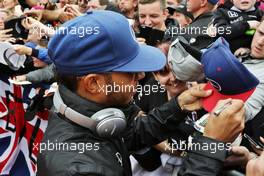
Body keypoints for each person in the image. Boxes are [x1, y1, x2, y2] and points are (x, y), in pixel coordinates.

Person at [37, 10, 245, 176]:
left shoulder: (87, 111)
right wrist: (209, 146)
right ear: (93, 83)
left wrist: (179, 105)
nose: (142, 74)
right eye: (130, 72)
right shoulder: (79, 169)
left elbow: (132, 134)